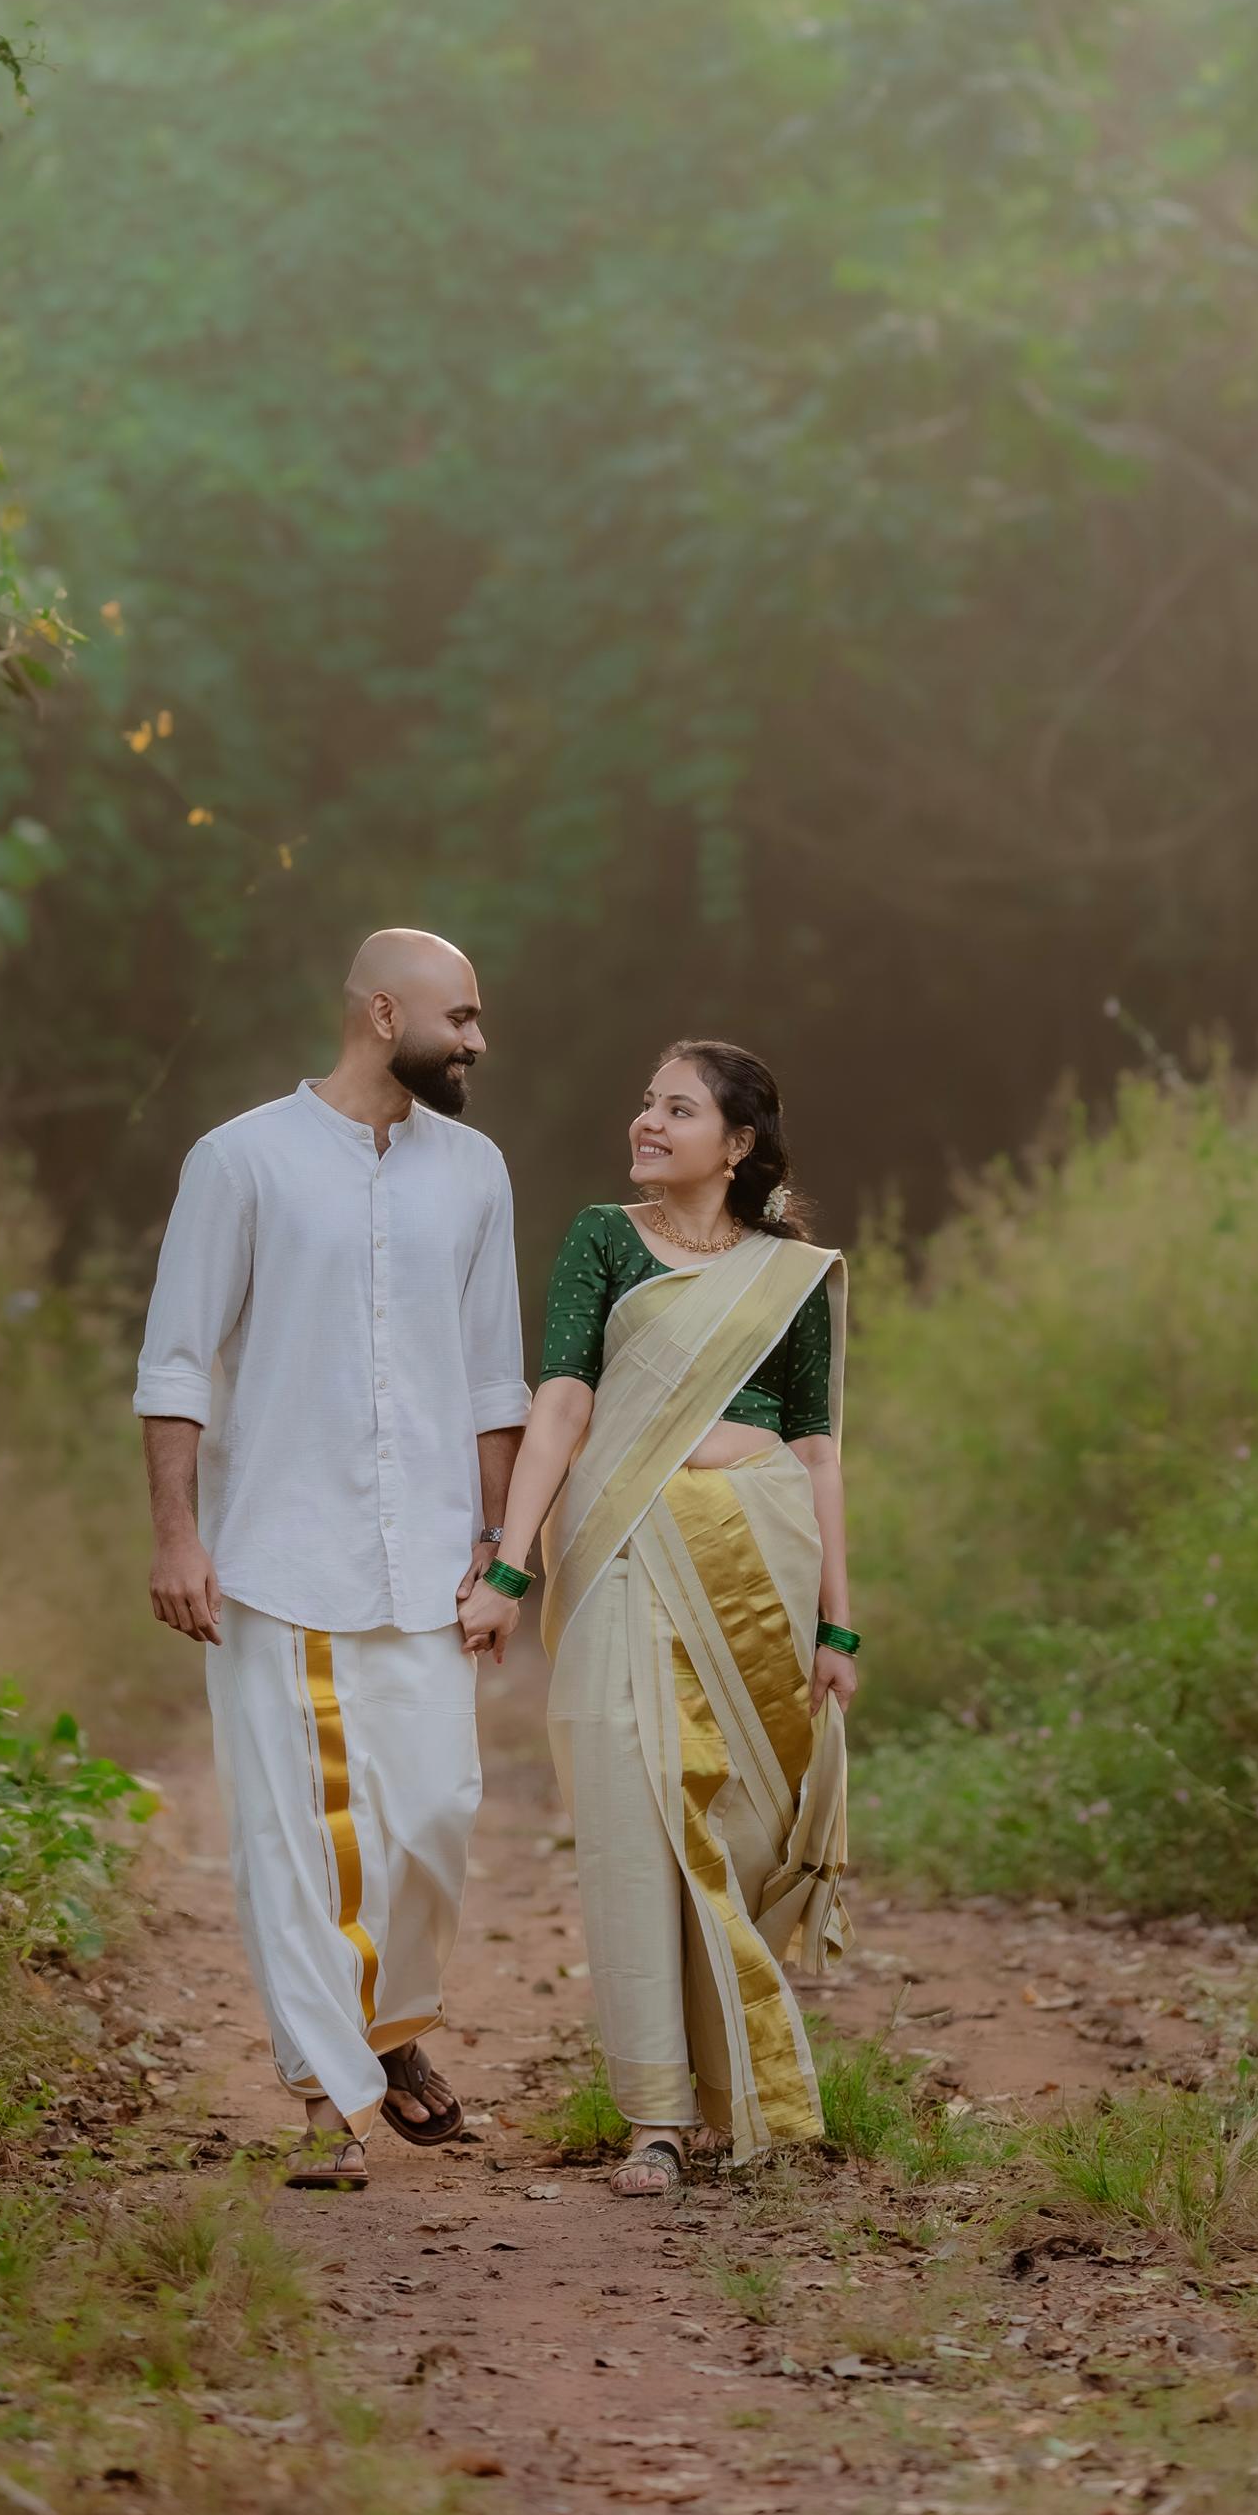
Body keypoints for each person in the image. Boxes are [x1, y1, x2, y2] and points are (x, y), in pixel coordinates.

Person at [137, 929, 527, 2189]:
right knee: (291, 1835)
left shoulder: (475, 1171)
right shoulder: (240, 1157)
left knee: (433, 1815)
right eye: (458, 1017)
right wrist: (178, 1533)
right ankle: (327, 2099)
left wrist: (497, 1552)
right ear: (379, 1011)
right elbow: (178, 1357)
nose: (474, 1040)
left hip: (427, 1558)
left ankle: (393, 2023)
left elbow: (491, 1379)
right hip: (275, 1557)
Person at [461, 1038, 856, 2197]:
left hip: (762, 1563)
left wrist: (839, 1626)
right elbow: (563, 1404)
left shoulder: (793, 1274)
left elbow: (821, 1449)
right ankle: (659, 2115)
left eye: (676, 1108)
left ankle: (739, 2084)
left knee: (735, 1824)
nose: (647, 1120)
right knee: (637, 1813)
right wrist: (507, 1567)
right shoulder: (601, 1237)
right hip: (627, 1555)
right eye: (645, 1101)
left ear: (736, 1145)